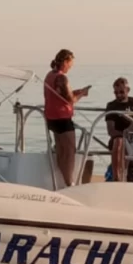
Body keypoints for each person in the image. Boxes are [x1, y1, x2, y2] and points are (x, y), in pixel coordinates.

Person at [43, 49, 91, 186]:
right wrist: (83, 94)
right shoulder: (61, 78)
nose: (71, 66)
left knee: (61, 150)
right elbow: (71, 100)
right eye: (70, 63)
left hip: (51, 118)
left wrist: (77, 91)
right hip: (62, 118)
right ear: (65, 62)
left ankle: (63, 181)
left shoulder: (49, 75)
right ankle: (69, 182)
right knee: (69, 151)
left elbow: (61, 95)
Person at [105, 77, 133, 182]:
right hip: (120, 137)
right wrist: (125, 134)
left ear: (128, 90)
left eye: (121, 92)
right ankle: (117, 177)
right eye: (116, 92)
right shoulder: (112, 105)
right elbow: (111, 131)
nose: (119, 95)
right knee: (120, 142)